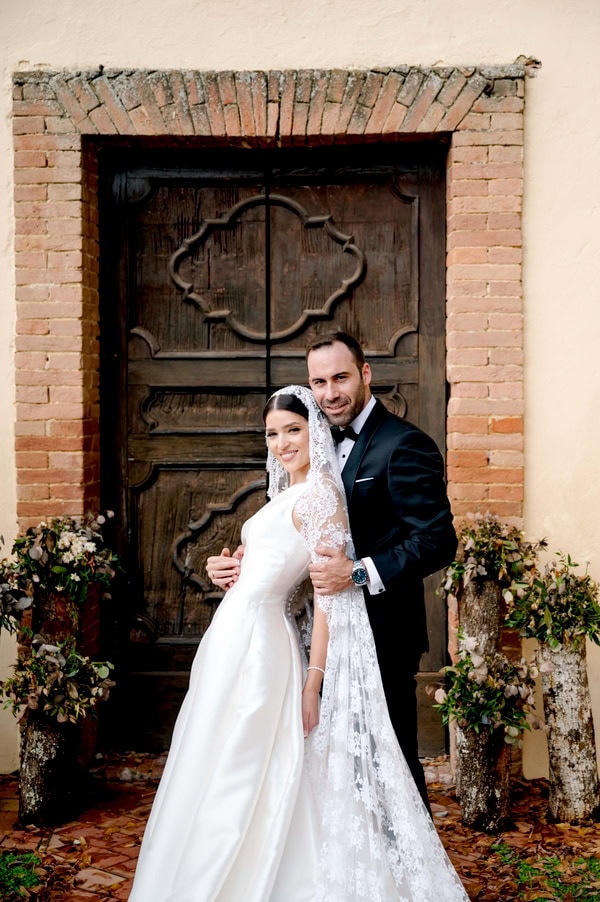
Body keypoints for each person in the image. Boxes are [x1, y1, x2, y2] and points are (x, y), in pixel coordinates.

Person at [129, 385, 468, 902]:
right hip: (232, 640)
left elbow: (330, 594)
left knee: (248, 763)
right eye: (272, 433)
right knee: (215, 756)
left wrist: (315, 681)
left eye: (293, 430)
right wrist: (228, 567)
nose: (282, 442)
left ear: (315, 432)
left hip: (262, 646)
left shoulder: (321, 497)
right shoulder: (284, 496)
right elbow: (268, 565)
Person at [305, 332, 458, 808]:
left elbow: (437, 541)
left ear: (365, 373)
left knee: (390, 759)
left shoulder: (405, 444)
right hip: (320, 631)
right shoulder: (310, 444)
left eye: (341, 378)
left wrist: (356, 574)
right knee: (332, 758)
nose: (331, 393)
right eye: (319, 382)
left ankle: (411, 855)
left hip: (383, 631)